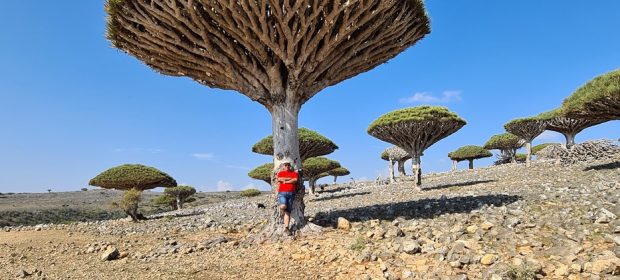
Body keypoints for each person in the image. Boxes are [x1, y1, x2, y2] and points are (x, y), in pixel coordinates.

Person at [276, 162, 298, 234]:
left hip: (291, 194)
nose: (287, 166)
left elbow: (295, 180)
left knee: (287, 212)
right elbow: (279, 179)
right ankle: (281, 207)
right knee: (283, 206)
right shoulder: (281, 173)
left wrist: (285, 181)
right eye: (285, 165)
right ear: (283, 166)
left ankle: (286, 228)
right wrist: (289, 179)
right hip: (282, 193)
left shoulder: (294, 173)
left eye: (288, 165)